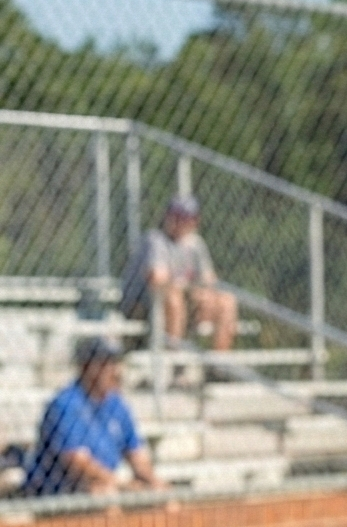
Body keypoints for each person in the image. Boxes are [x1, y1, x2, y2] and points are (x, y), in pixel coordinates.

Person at [24, 338, 158, 496]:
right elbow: (75, 461)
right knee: (103, 493)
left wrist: (153, 482)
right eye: (105, 364)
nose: (115, 371)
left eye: (115, 363)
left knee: (165, 498)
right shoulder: (66, 403)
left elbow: (135, 452)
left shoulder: (116, 404)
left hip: (108, 483)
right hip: (61, 489)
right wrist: (121, 484)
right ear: (86, 367)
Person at [121, 196, 237, 353]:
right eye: (177, 216)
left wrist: (204, 293)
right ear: (167, 216)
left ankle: (219, 361)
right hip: (143, 305)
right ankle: (174, 360)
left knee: (227, 301)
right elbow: (158, 279)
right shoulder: (155, 239)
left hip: (183, 300)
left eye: (188, 218)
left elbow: (209, 280)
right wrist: (191, 288)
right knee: (173, 297)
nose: (182, 222)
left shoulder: (195, 244)